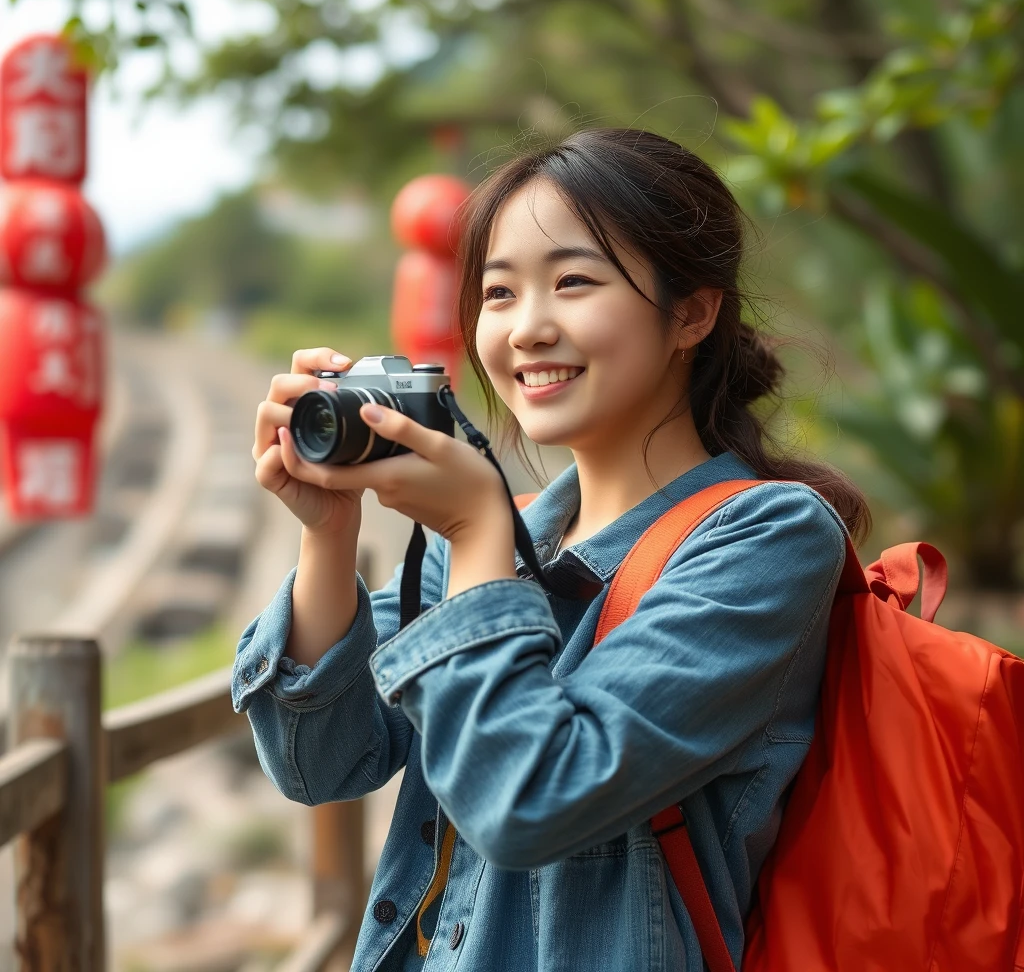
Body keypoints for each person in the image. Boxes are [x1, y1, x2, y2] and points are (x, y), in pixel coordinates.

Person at [234, 128, 868, 971]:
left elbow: (528, 799)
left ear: (692, 311)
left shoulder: (768, 538)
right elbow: (321, 763)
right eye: (498, 295)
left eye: (573, 282)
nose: (527, 329)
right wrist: (328, 534)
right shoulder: (516, 530)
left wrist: (472, 534)